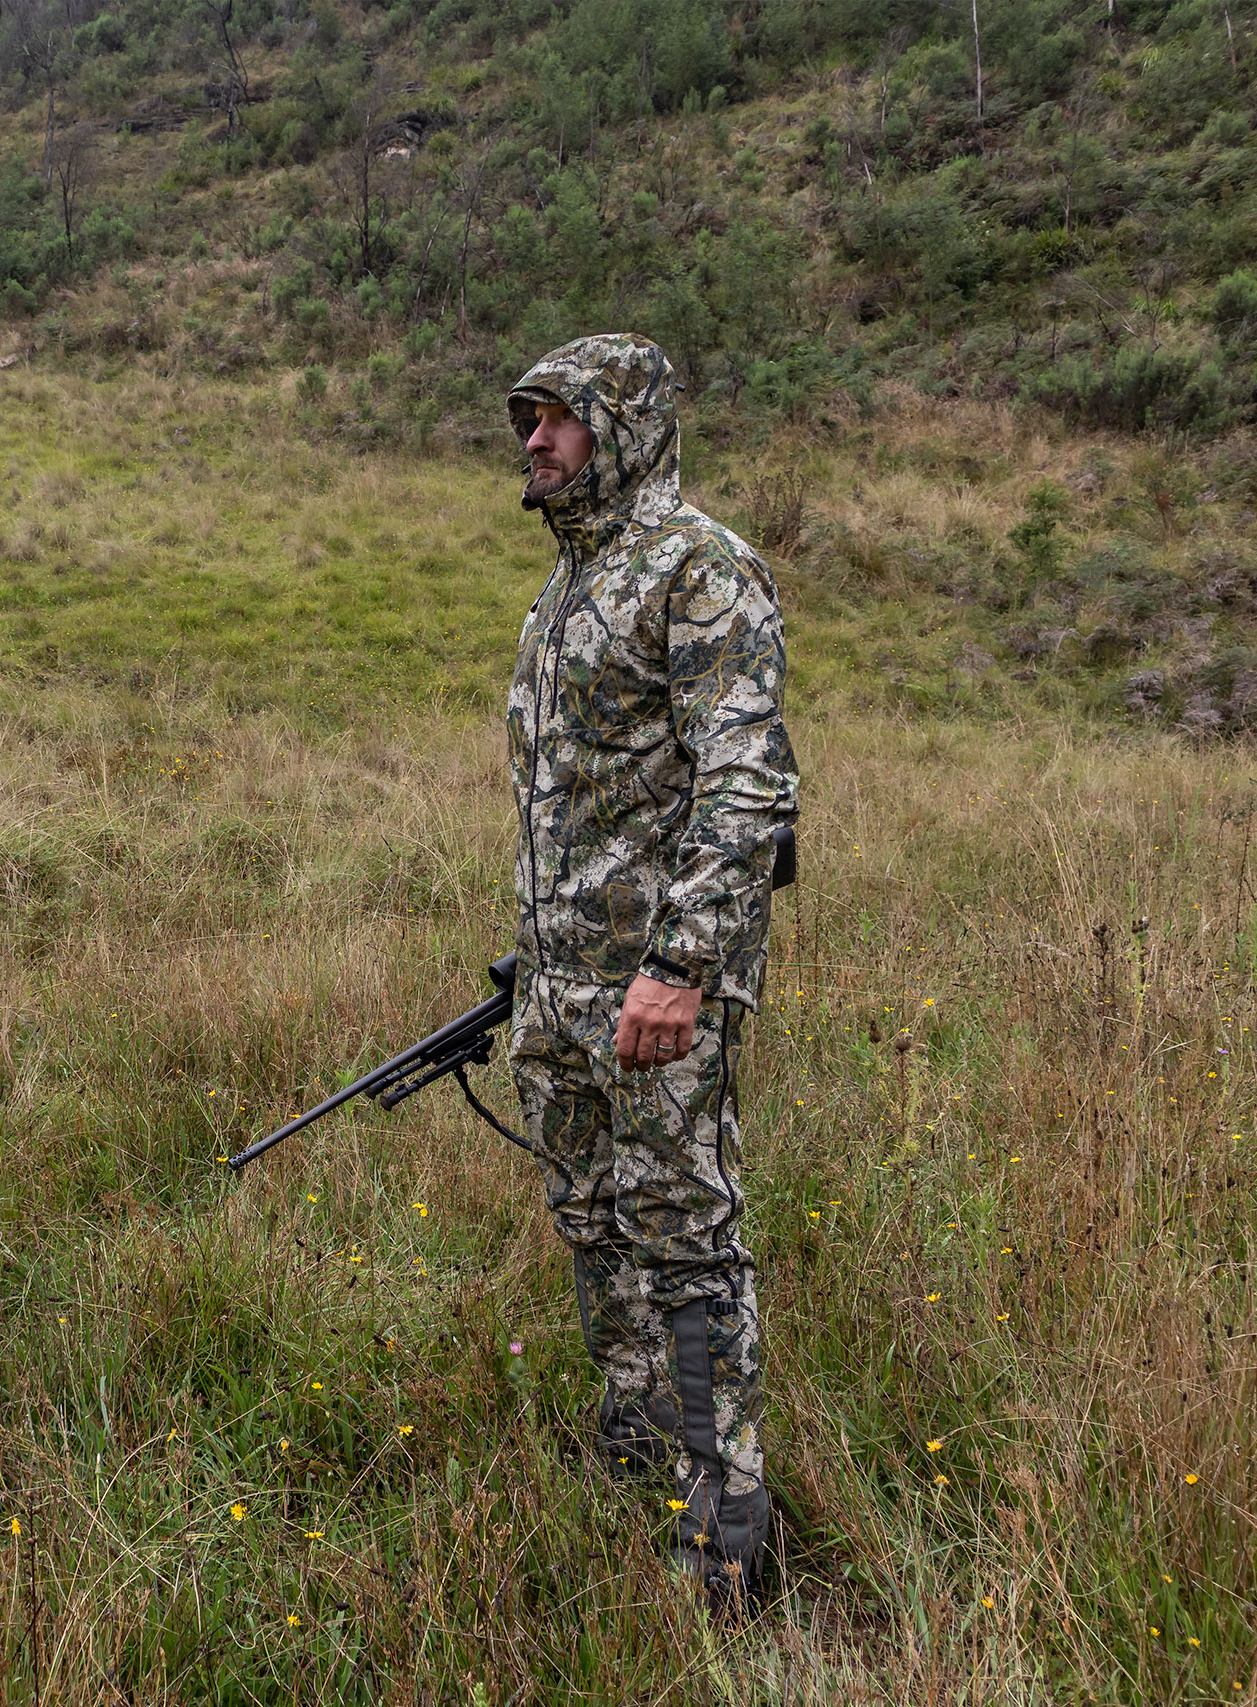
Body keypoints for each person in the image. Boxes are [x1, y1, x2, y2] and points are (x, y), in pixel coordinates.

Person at [502, 334, 799, 1610]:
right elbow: (576, 803)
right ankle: (635, 1443)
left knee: (683, 1235)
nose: (533, 439)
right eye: (526, 417)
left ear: (624, 426)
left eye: (559, 417)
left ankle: (725, 1508)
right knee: (594, 1219)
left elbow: (747, 790)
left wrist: (679, 967)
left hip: (655, 996)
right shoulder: (567, 591)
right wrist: (539, 967)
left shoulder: (698, 571)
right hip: (562, 990)